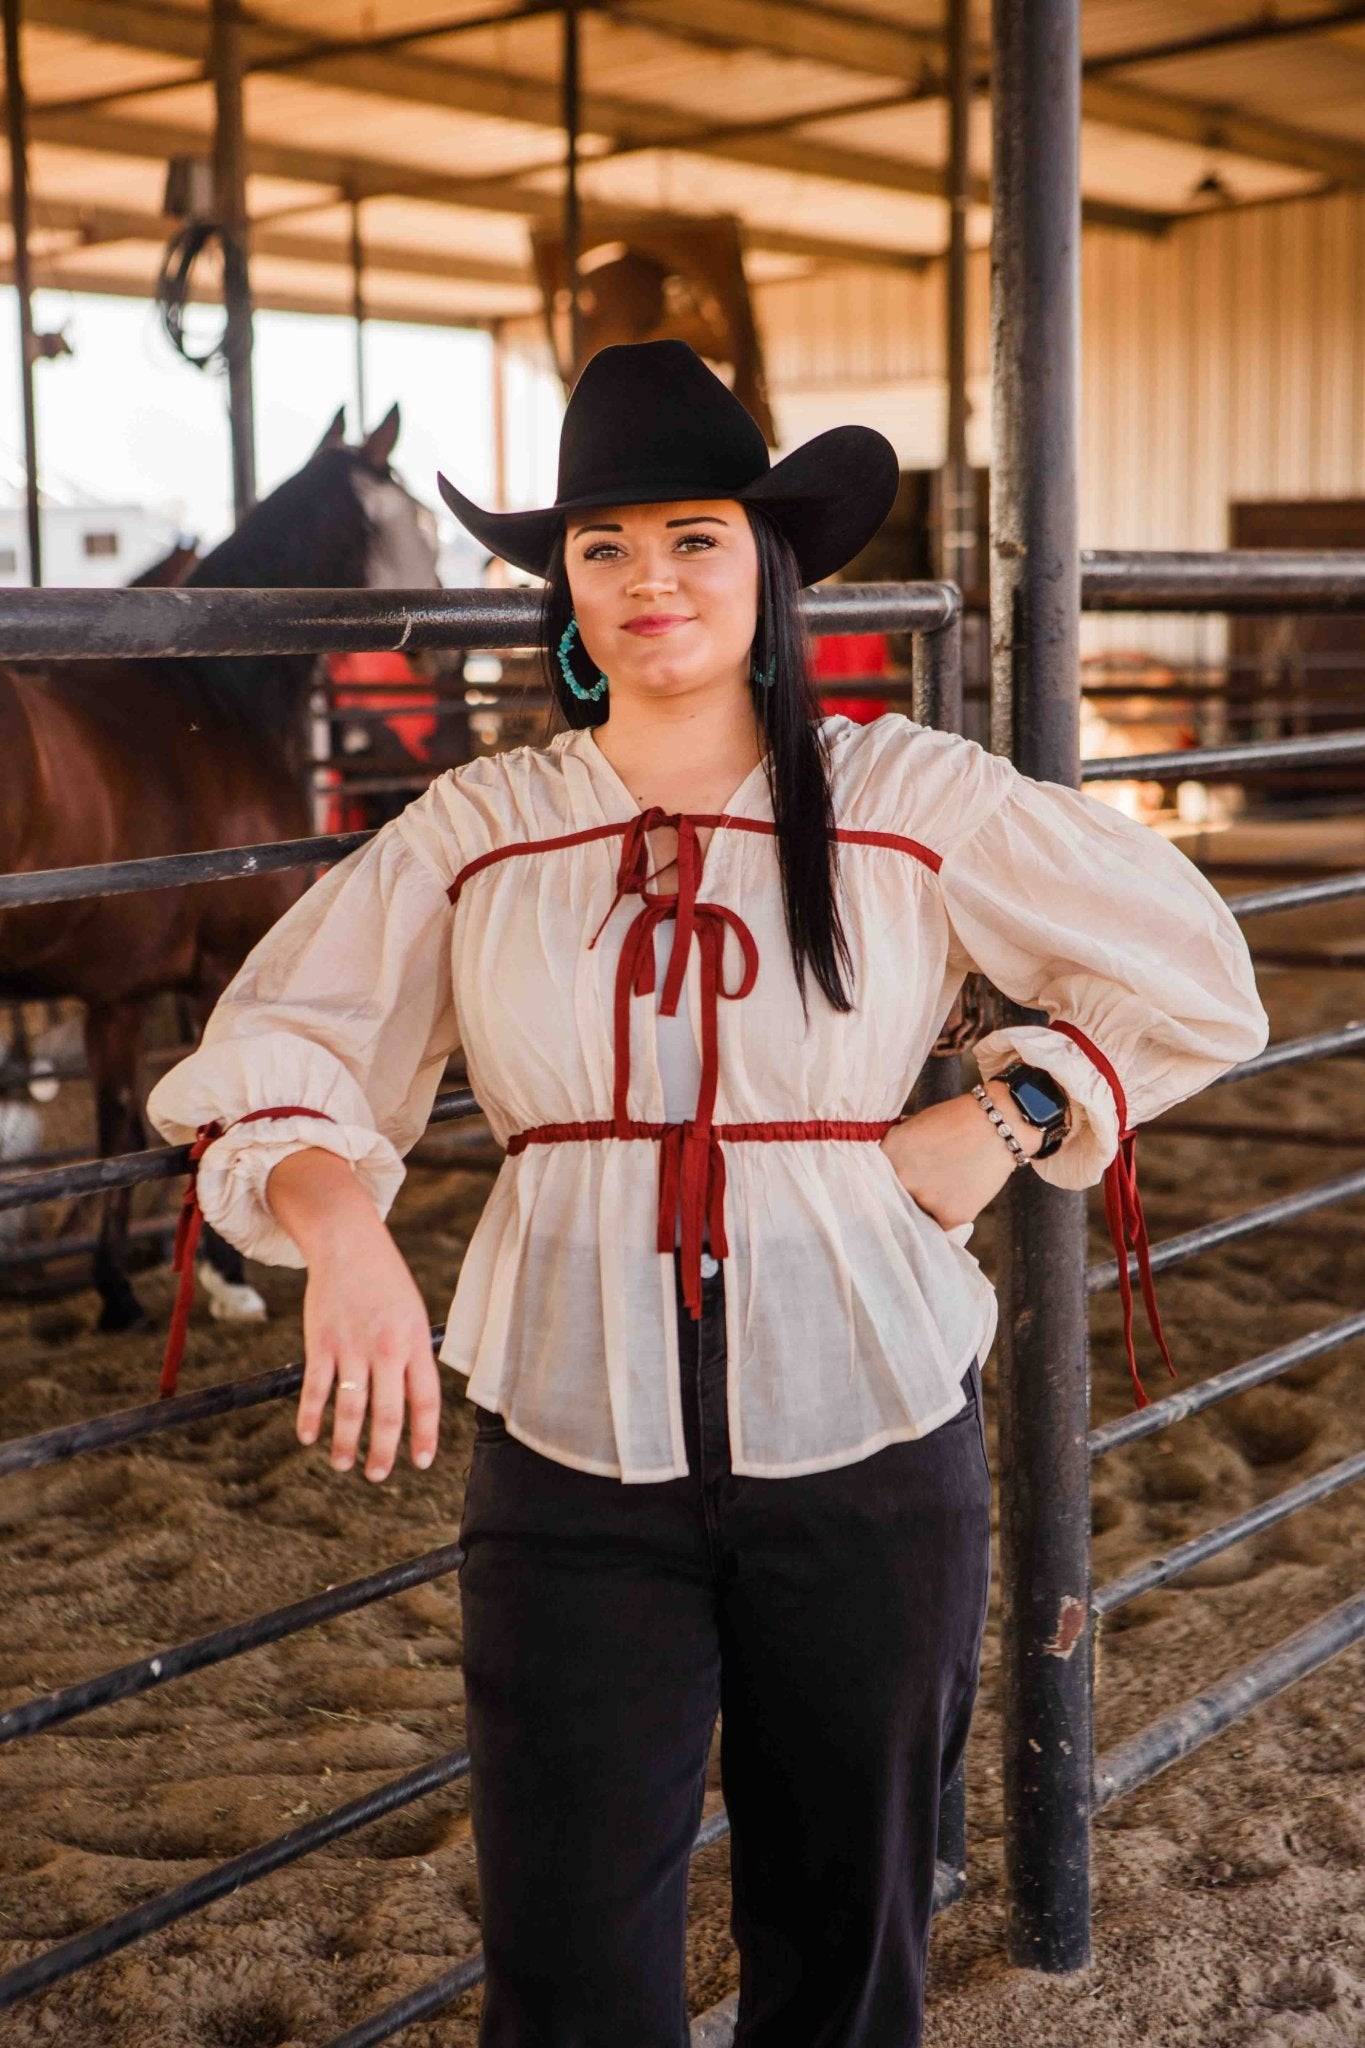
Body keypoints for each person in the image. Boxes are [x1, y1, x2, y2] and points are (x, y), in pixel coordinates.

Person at [145, 339, 1270, 2048]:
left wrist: (1007, 1112)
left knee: (847, 1922)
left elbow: (1190, 969)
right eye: (600, 547)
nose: (647, 579)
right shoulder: (481, 826)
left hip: (870, 1425)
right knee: (568, 1946)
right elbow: (283, 1040)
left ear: (767, 566)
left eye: (692, 538)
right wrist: (341, 1224)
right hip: (568, 1442)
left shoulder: (902, 795)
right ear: (564, 589)